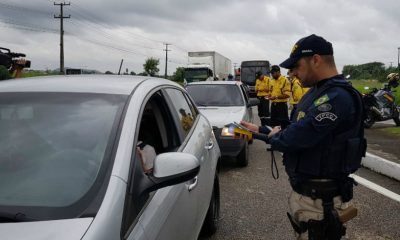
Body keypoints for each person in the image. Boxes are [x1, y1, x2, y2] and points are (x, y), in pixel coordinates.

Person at [241, 34, 365, 240]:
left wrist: (264, 137)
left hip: (320, 200)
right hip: (308, 194)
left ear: (315, 60)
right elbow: (296, 127)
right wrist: (260, 129)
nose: (293, 73)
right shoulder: (317, 92)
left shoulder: (336, 97)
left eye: (296, 66)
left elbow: (293, 139)